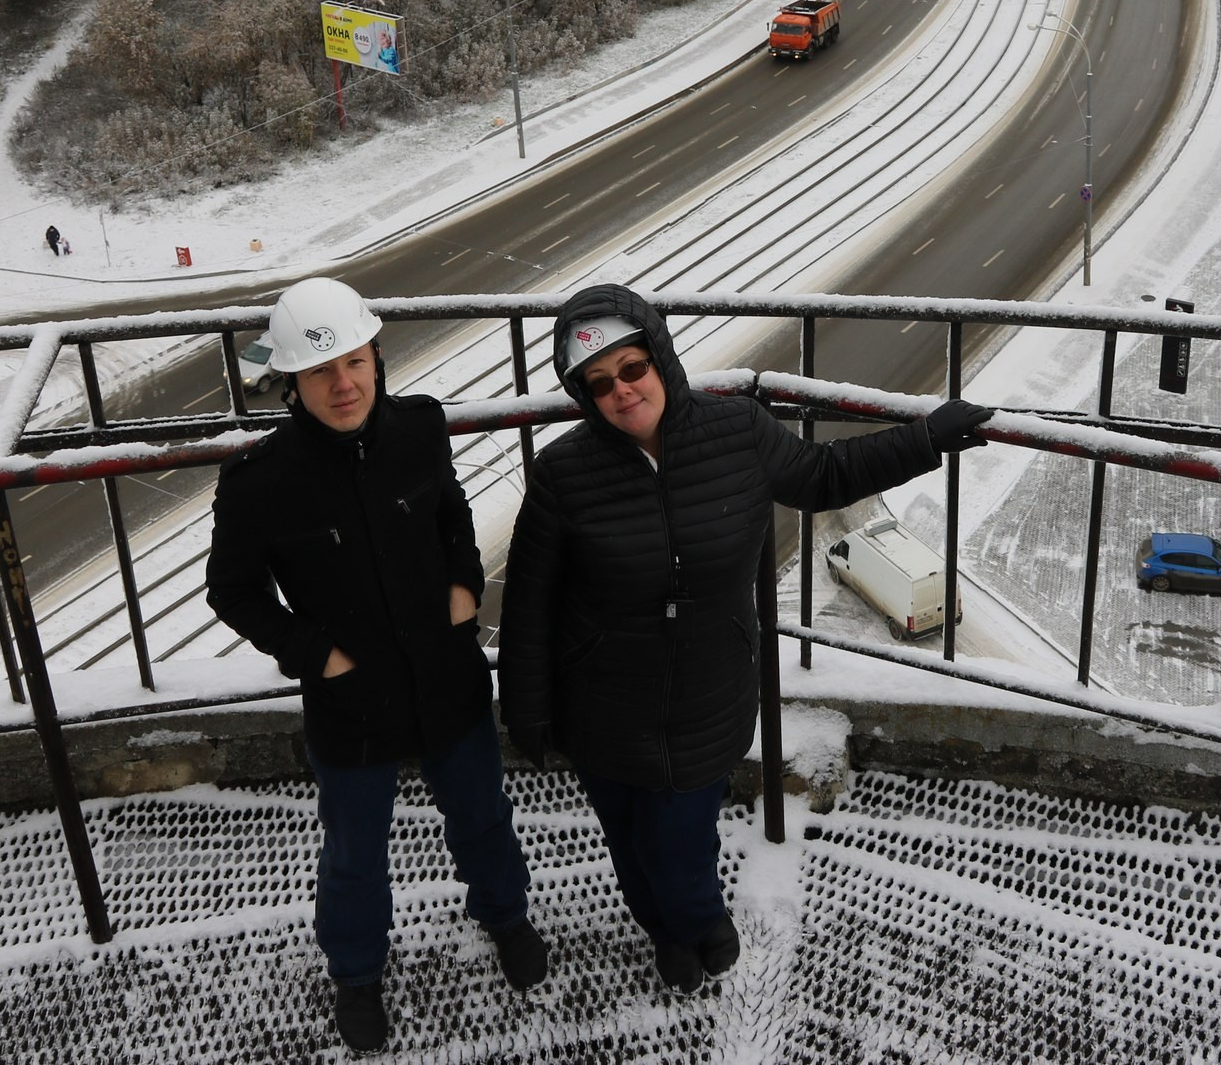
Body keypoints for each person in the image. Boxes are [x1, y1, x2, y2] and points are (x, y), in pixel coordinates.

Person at [498, 283, 992, 994]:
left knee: (679, 841)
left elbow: (825, 475)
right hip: (604, 708)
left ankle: (698, 922)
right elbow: (530, 601)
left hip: (708, 694)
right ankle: (667, 931)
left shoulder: (738, 431)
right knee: (630, 845)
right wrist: (528, 710)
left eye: (632, 367)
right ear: (583, 394)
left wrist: (924, 439)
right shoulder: (563, 472)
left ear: (660, 357)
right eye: (598, 382)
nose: (621, 390)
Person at [206, 278, 544, 1053]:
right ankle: (356, 972)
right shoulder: (260, 483)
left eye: (355, 362)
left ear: (377, 357)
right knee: (355, 854)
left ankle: (506, 915)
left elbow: (452, 511)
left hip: (447, 677)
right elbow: (232, 590)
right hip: (351, 702)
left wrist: (465, 585)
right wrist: (315, 656)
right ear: (291, 381)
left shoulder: (420, 429)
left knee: (483, 815)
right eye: (321, 370)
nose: (344, 384)